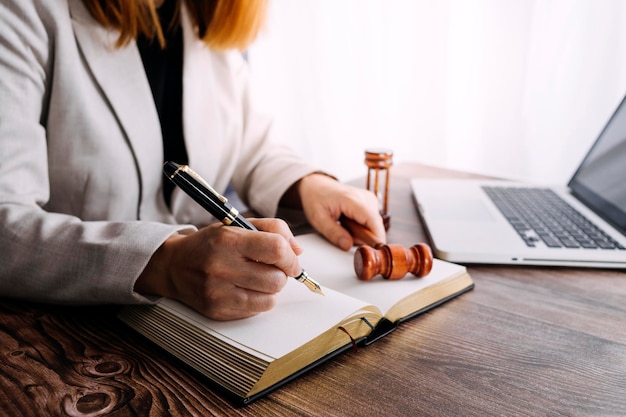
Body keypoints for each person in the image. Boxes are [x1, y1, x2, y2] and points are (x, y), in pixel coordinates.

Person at [0, 0, 386, 321]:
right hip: (70, 330)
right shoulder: (22, 12)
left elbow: (249, 143)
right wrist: (162, 263)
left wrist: (310, 185)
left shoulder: (202, 10)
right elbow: (5, 224)